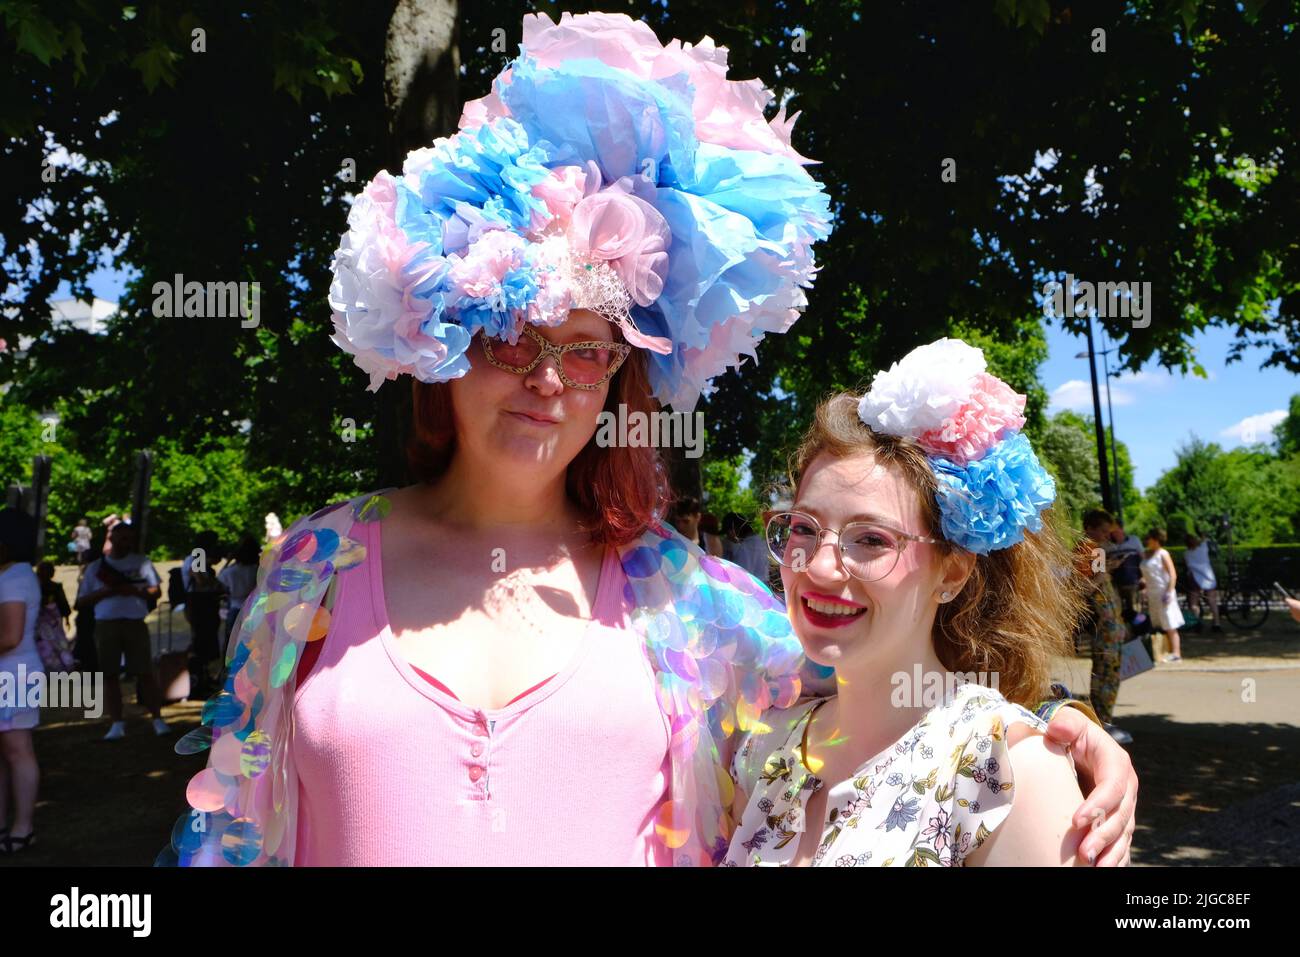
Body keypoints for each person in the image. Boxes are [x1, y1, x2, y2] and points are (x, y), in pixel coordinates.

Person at [165, 11, 1136, 868]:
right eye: (513, 337)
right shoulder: (315, 569)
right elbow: (227, 827)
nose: (547, 381)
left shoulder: (692, 603)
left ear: (621, 378)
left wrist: (1056, 730)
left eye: (584, 351)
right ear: (447, 341)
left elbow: (887, 689)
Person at [728, 341, 1108, 866]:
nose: (815, 567)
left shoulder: (1007, 776)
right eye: (802, 529)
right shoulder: (763, 750)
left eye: (871, 540)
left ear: (951, 572)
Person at [75, 522, 169, 739]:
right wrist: (107, 592)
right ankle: (116, 723)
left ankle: (157, 719)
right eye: (123, 538)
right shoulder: (96, 568)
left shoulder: (142, 562)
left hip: (135, 621)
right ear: (112, 540)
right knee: (110, 674)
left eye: (130, 539)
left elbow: (155, 591)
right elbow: (80, 602)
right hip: (106, 624)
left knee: (145, 672)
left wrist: (135, 591)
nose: (127, 543)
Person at [0, 508, 42, 854]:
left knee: (17, 750)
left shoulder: (16, 577)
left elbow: (10, 636)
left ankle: (22, 826)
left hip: (15, 674)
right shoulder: (9, 574)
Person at [1077, 509, 1131, 743]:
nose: (1106, 536)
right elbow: (1086, 586)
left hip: (1107, 622)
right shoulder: (1092, 549)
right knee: (1107, 672)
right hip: (1105, 622)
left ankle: (1102, 719)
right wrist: (1107, 570)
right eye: (1102, 531)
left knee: (1106, 670)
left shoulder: (1089, 549)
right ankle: (1103, 721)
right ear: (1090, 528)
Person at [181, 531, 226, 698]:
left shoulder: (195, 557)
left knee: (204, 643)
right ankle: (199, 680)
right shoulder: (198, 557)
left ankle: (204, 678)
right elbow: (200, 580)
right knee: (201, 644)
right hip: (200, 605)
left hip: (202, 605)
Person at [1141, 528, 1183, 662]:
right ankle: (1163, 651)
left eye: (1150, 538)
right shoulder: (1147, 554)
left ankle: (1176, 653)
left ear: (1155, 540)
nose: (1147, 541)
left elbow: (1172, 574)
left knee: (1170, 623)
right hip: (1152, 593)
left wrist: (1169, 592)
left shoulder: (1163, 553)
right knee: (1158, 623)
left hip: (1163, 592)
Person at [216, 536, 261, 651]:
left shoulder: (230, 572)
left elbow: (219, 581)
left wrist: (228, 562)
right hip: (254, 610)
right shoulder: (257, 570)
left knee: (231, 644)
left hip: (235, 609)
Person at [1183, 532, 1221, 632]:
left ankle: (1196, 623)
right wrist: (1202, 535)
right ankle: (1216, 624)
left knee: (1194, 604)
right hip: (1208, 577)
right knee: (1212, 601)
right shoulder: (1203, 549)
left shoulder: (1186, 554)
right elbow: (1205, 539)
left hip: (1194, 578)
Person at [1106, 521, 1143, 620]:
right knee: (1119, 612)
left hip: (1133, 583)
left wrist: (1143, 578)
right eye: (1111, 530)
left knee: (1135, 610)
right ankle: (1127, 633)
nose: (1113, 532)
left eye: (1115, 529)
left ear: (1121, 529)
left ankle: (1141, 632)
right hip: (1115, 585)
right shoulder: (1108, 545)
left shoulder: (1134, 540)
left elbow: (1143, 559)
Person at [722, 512, 769, 581]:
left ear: (732, 531)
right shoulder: (760, 541)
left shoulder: (746, 547)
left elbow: (740, 576)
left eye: (727, 533)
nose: (727, 537)